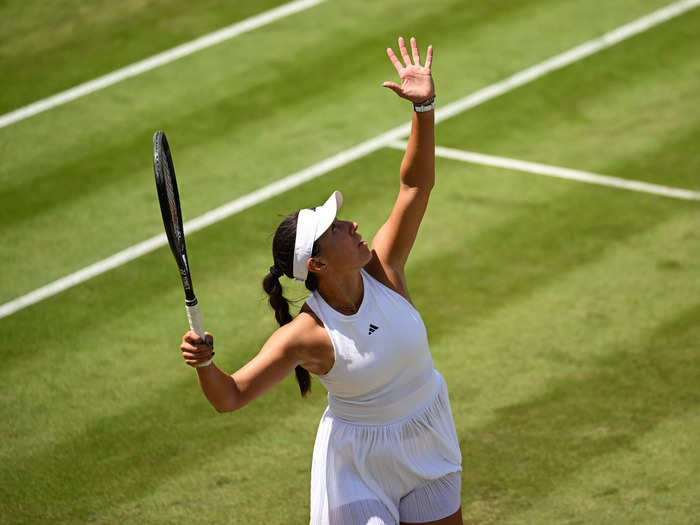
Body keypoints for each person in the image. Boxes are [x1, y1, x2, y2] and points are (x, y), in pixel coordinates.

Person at [180, 36, 463, 525]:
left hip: (428, 435)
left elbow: (416, 184)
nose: (352, 226)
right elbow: (231, 397)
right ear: (317, 264)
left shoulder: (384, 268)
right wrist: (204, 363)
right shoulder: (305, 336)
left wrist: (424, 110)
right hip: (356, 466)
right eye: (335, 229)